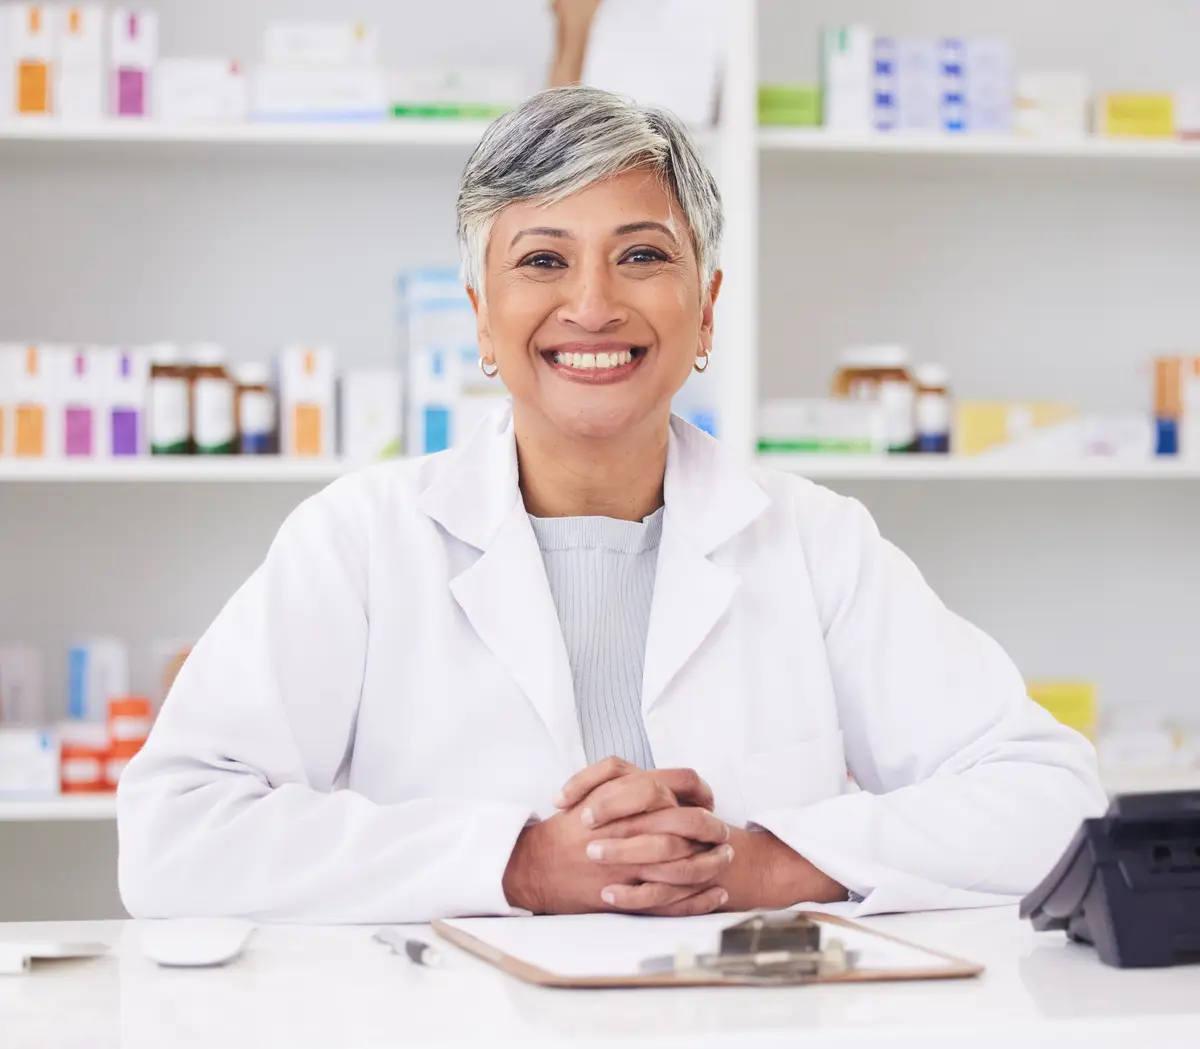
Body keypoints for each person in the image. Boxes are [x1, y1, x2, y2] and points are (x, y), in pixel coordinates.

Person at [117, 86, 1107, 923]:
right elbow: (173, 835)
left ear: (706, 306)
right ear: (483, 319)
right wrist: (520, 862)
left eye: (640, 255)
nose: (593, 304)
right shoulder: (363, 539)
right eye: (543, 259)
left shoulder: (816, 541)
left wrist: (760, 861)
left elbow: (1055, 801)